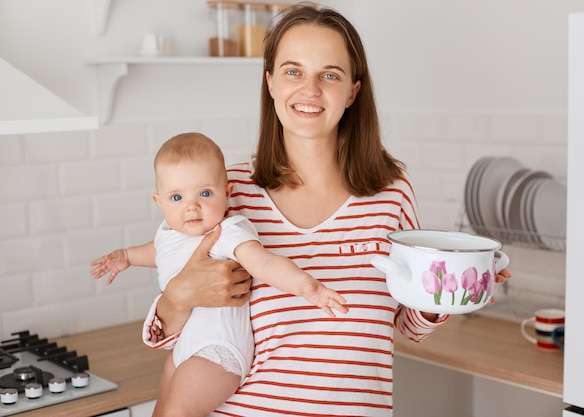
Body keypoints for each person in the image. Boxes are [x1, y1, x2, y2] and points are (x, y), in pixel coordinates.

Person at [139, 3, 512, 416]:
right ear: (271, 83)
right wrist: (174, 299)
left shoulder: (392, 193)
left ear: (352, 90)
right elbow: (176, 338)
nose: (310, 90)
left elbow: (408, 326)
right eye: (293, 71)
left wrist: (452, 288)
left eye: (329, 75)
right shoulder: (225, 191)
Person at [90, 132, 348, 417]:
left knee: (178, 411)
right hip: (186, 348)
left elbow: (264, 264)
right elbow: (157, 253)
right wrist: (126, 257)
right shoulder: (168, 234)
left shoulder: (227, 231)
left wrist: (305, 286)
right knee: (162, 407)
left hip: (219, 351)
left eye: (205, 193)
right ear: (159, 201)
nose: (192, 206)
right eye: (177, 197)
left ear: (227, 191)